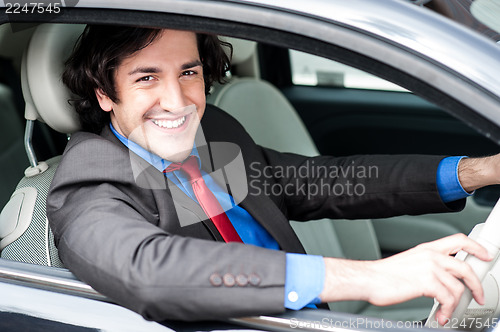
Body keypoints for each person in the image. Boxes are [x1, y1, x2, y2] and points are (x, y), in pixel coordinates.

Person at [46, 25, 499, 324]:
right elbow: (146, 269)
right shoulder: (90, 178)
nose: (177, 100)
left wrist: (479, 171)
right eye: (147, 78)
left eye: (188, 72)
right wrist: (368, 277)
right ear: (105, 94)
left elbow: (327, 182)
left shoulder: (213, 133)